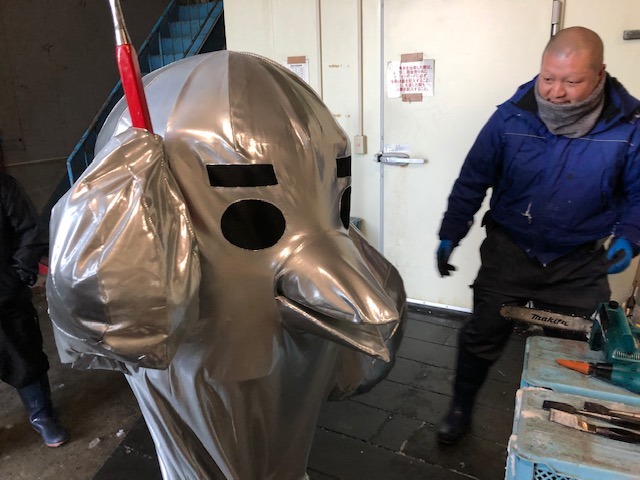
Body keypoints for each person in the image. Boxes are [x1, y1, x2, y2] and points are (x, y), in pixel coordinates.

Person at [435, 26, 640, 444]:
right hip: (510, 250)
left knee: (583, 346)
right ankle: (460, 407)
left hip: (581, 260)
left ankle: (569, 429)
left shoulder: (630, 126)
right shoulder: (510, 116)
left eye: (572, 81)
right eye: (548, 78)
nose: (556, 92)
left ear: (599, 74)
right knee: (481, 335)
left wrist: (630, 236)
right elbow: (473, 179)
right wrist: (451, 232)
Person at [0, 172, 69, 447]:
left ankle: (42, 416)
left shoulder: (4, 186)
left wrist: (16, 276)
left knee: (24, 356)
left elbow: (30, 231)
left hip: (6, 295)